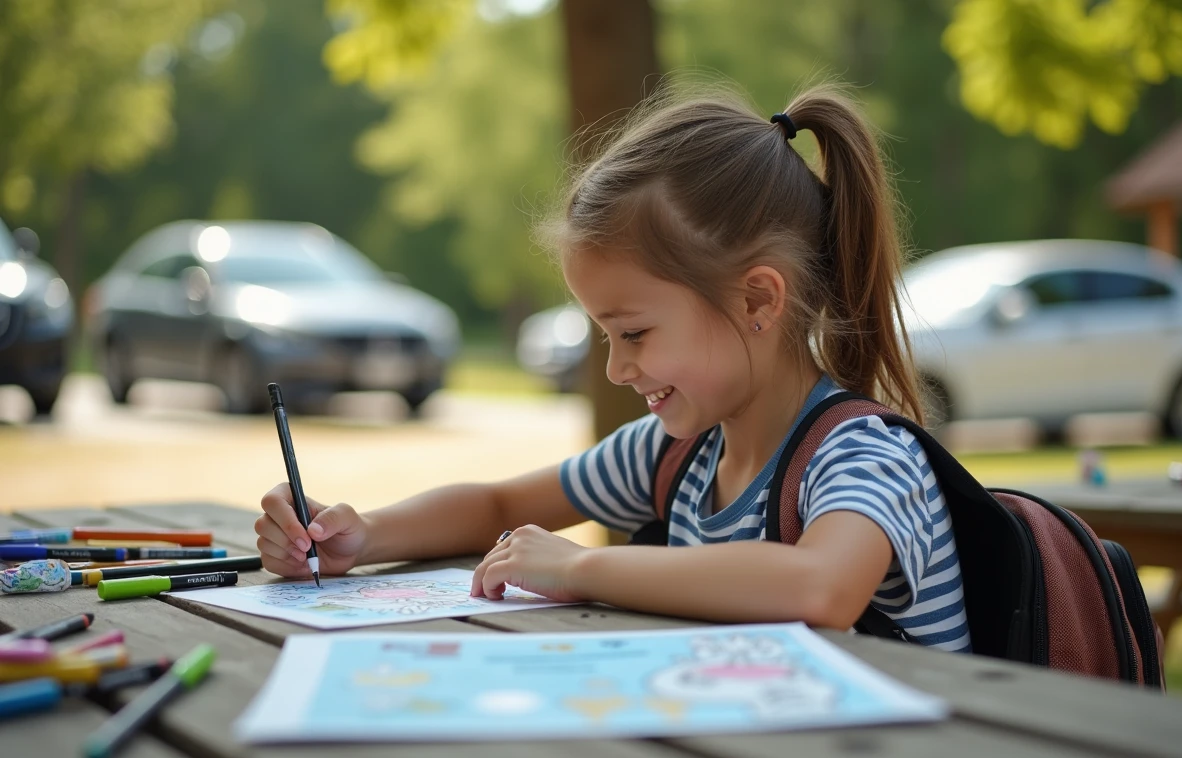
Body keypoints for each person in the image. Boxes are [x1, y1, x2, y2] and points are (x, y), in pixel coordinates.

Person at [255, 83, 970, 652]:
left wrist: (578, 567)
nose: (618, 367)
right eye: (604, 335)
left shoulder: (864, 455)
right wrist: (363, 536)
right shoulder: (677, 454)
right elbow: (499, 508)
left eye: (633, 332)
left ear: (758, 299)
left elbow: (821, 587)